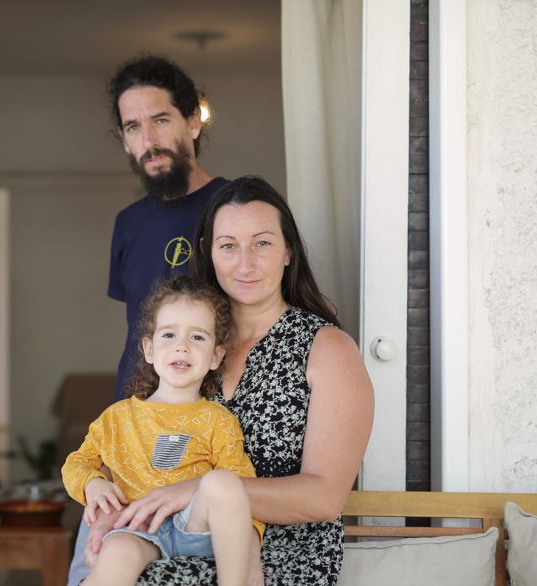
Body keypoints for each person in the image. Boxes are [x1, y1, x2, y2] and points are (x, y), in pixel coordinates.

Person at [81, 176, 375, 585]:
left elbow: (325, 498)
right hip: (174, 541)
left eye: (262, 243)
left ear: (288, 250)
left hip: (281, 562)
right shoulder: (189, 346)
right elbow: (143, 447)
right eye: (229, 246)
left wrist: (198, 488)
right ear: (208, 251)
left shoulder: (327, 350)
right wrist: (115, 510)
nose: (245, 263)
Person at [62, 276, 264, 586]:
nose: (182, 346)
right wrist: (93, 485)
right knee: (117, 552)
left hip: (196, 527)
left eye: (198, 337)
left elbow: (238, 486)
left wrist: (249, 537)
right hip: (136, 527)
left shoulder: (218, 419)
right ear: (149, 349)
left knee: (224, 482)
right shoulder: (117, 418)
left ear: (215, 356)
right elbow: (77, 463)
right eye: (169, 334)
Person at [106, 54, 228, 402]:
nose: (149, 140)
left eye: (160, 119)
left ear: (192, 122)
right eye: (133, 127)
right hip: (136, 416)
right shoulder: (127, 223)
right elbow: (138, 335)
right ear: (124, 139)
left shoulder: (236, 209)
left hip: (213, 419)